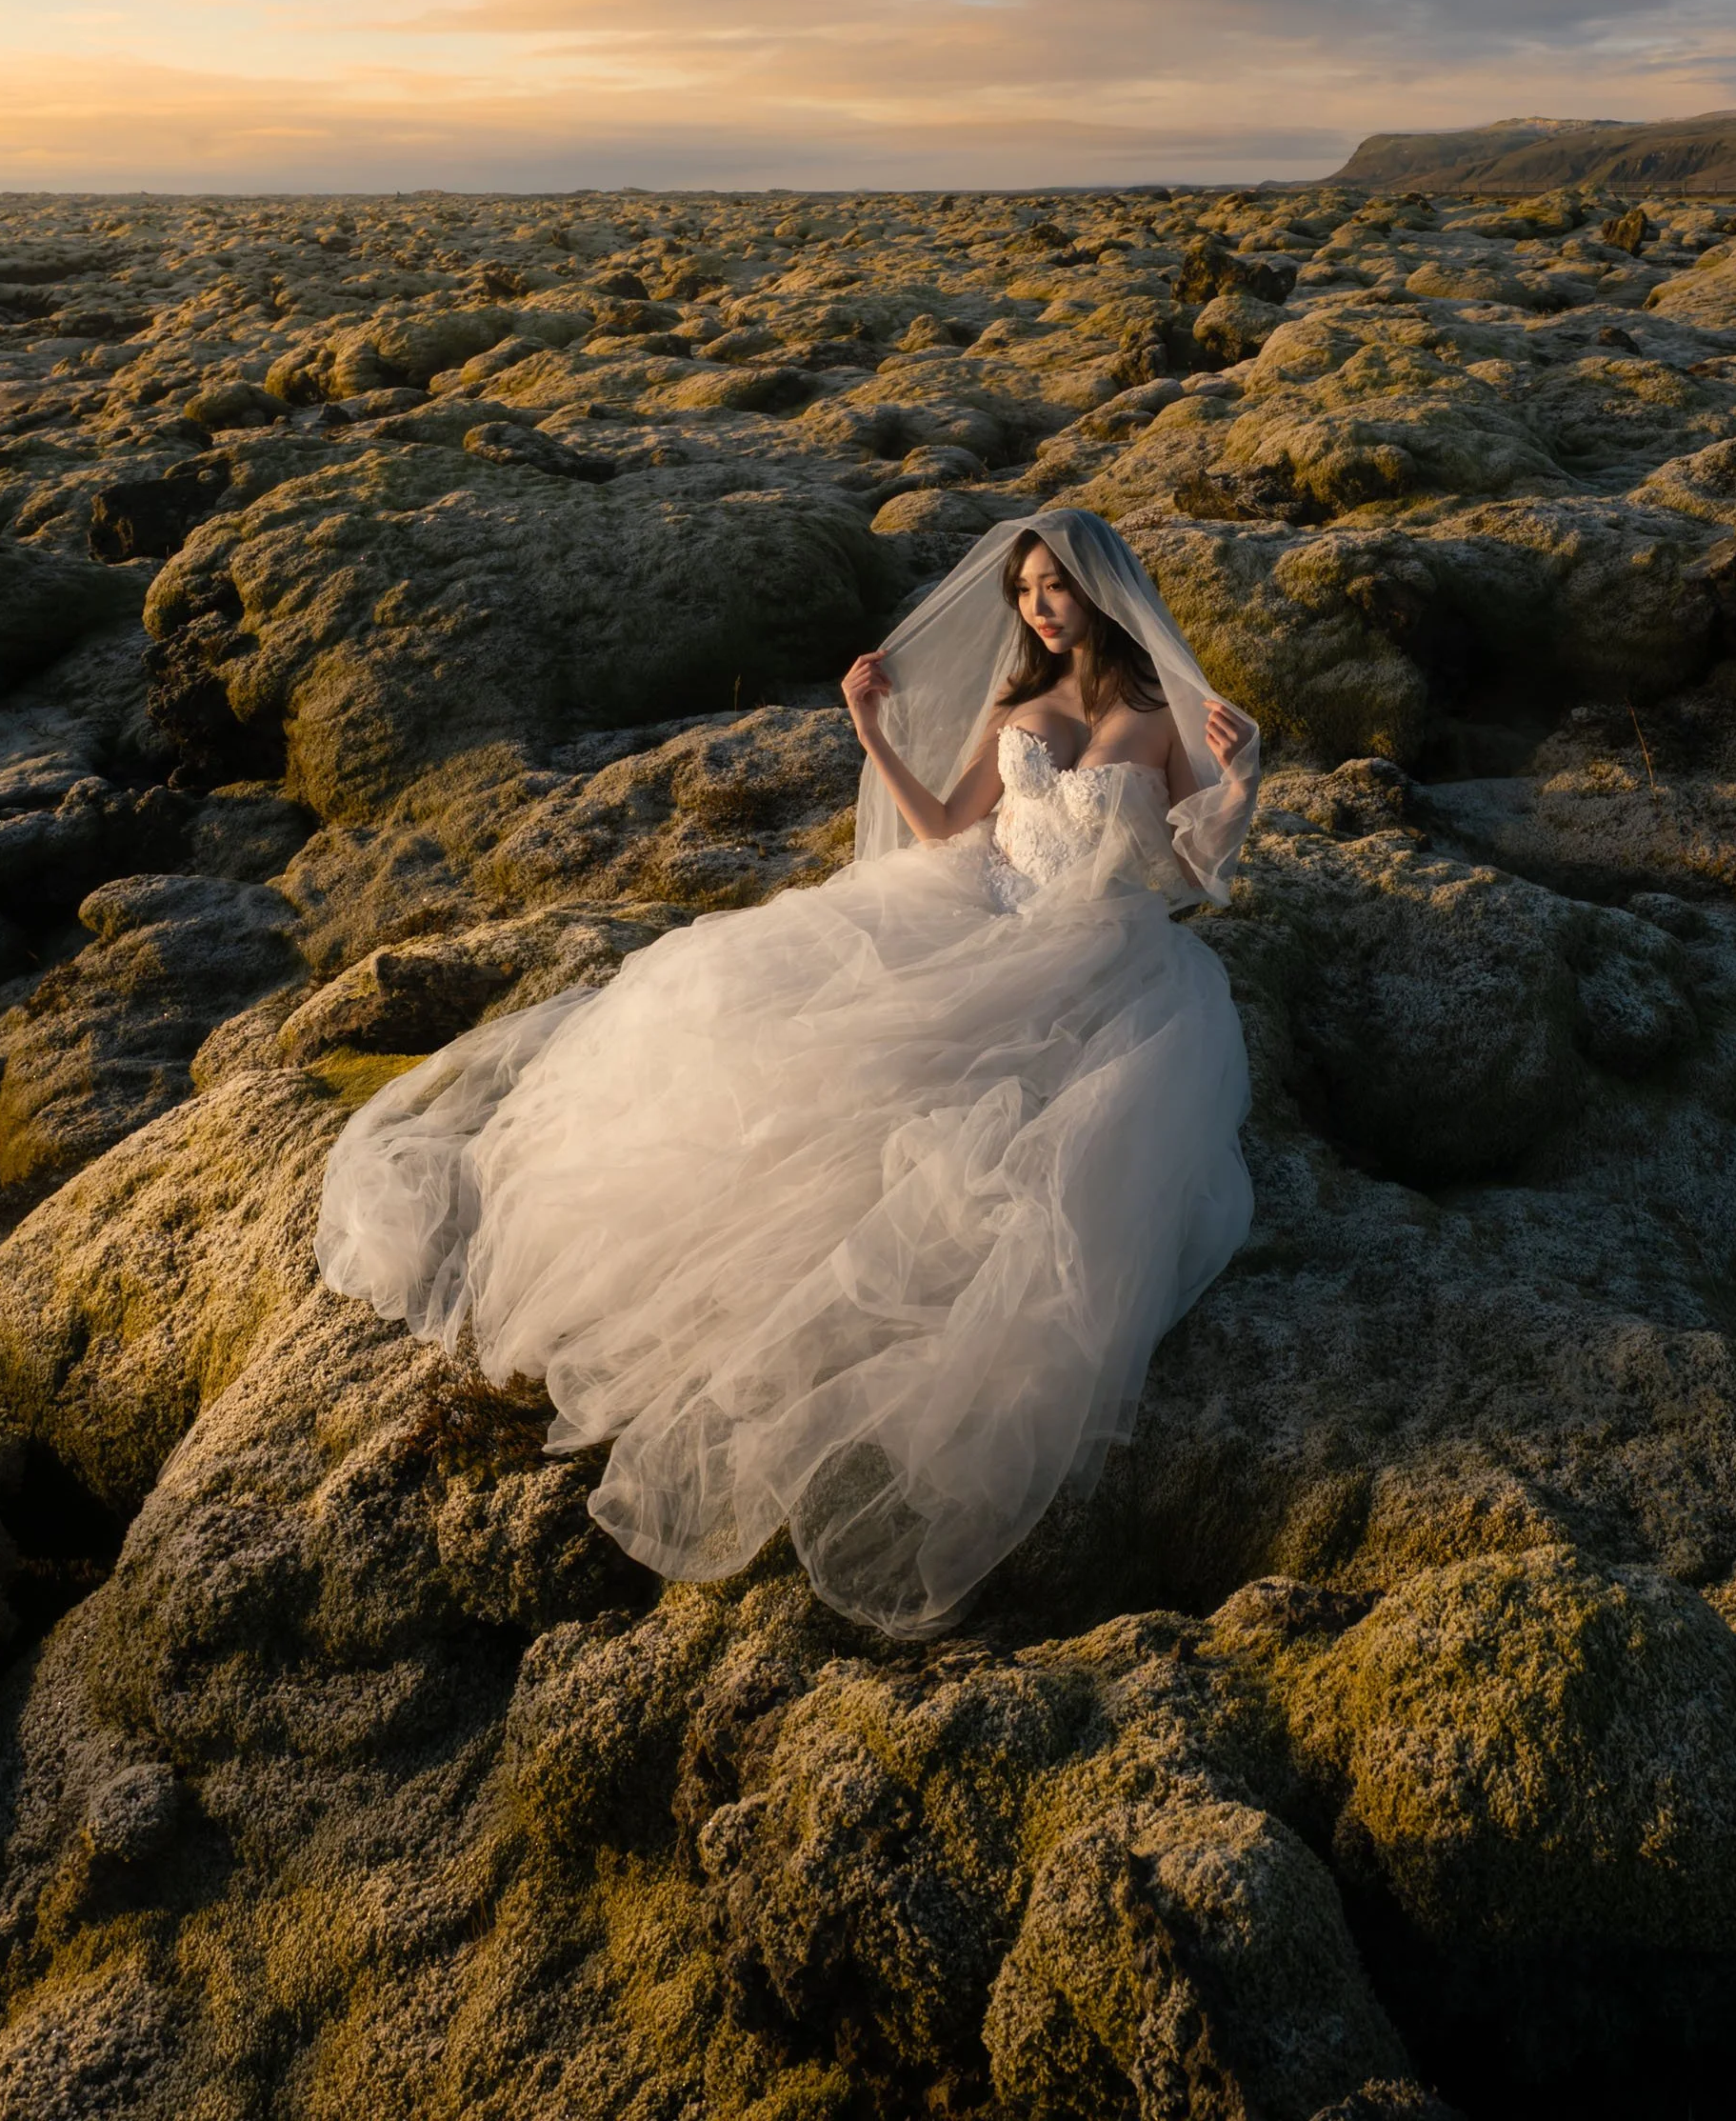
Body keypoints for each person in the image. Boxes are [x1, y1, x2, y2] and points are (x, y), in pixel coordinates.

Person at [315, 509, 1261, 1637]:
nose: (1039, 605)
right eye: (1025, 588)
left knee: (977, 1148)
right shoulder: (1018, 707)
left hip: (1092, 947)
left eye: (1056, 583)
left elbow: (1198, 867)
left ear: (1103, 587)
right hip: (969, 910)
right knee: (770, 1048)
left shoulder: (1159, 720)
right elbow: (946, 822)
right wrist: (871, 730)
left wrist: (1240, 777)